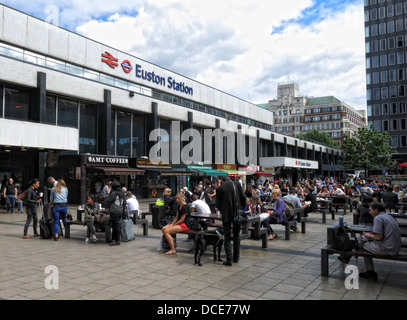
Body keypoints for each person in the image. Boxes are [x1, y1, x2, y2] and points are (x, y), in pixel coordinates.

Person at [359, 202, 402, 280]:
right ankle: (370, 270)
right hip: (396, 247)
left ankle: (370, 271)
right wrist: (372, 235)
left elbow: (378, 237)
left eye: (370, 210)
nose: (369, 212)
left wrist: (368, 235)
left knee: (362, 245)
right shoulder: (389, 216)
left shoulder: (378, 218)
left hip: (388, 249)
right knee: (367, 241)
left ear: (376, 210)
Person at [215, 175, 248, 266]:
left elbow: (217, 204)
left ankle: (229, 260)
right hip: (237, 214)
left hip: (226, 215)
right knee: (236, 236)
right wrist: (240, 209)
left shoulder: (220, 189)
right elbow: (244, 198)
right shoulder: (237, 184)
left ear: (222, 181)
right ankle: (236, 258)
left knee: (227, 237)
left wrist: (223, 211)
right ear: (230, 179)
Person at [104, 180, 126, 246]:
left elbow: (109, 200)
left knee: (116, 226)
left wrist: (103, 201)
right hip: (120, 211)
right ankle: (113, 239)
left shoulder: (113, 193)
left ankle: (117, 240)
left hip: (114, 211)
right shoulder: (122, 192)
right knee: (115, 225)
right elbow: (124, 202)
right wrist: (124, 210)